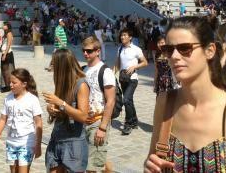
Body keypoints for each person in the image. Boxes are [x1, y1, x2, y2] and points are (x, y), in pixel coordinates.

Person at [144, 16, 226, 173]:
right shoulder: (165, 102)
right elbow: (153, 158)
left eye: (184, 48)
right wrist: (149, 166)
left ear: (209, 51)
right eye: (168, 49)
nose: (174, 56)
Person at [43, 49, 90, 173]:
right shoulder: (62, 82)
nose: (51, 68)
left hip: (73, 144)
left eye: (54, 65)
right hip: (57, 139)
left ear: (62, 66)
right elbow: (59, 106)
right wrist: (51, 108)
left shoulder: (81, 85)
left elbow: (83, 116)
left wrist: (60, 103)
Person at [0, 68, 43, 173]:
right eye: (10, 82)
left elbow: (38, 123)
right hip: (11, 142)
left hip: (26, 142)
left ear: (24, 84)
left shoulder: (32, 100)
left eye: (14, 83)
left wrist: (38, 145)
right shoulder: (8, 99)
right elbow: (2, 119)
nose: (10, 85)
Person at [82, 36, 116, 173]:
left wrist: (102, 127)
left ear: (98, 51)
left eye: (89, 51)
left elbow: (111, 101)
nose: (85, 53)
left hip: (98, 120)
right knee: (94, 158)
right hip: (85, 121)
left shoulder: (105, 71)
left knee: (92, 165)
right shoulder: (83, 69)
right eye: (84, 50)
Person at [115, 28, 148, 135]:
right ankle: (134, 121)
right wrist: (111, 74)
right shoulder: (120, 49)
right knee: (129, 101)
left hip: (133, 78)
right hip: (123, 78)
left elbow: (145, 63)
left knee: (126, 100)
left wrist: (135, 66)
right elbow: (117, 64)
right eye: (121, 35)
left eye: (124, 35)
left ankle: (128, 124)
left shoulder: (136, 49)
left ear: (130, 37)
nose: (122, 37)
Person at [0, 23, 15, 93]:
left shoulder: (9, 33)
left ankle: (8, 86)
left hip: (7, 53)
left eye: (4, 25)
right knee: (4, 70)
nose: (3, 26)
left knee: (6, 70)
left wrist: (5, 54)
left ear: (8, 27)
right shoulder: (5, 33)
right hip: (4, 52)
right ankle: (6, 85)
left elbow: (8, 45)